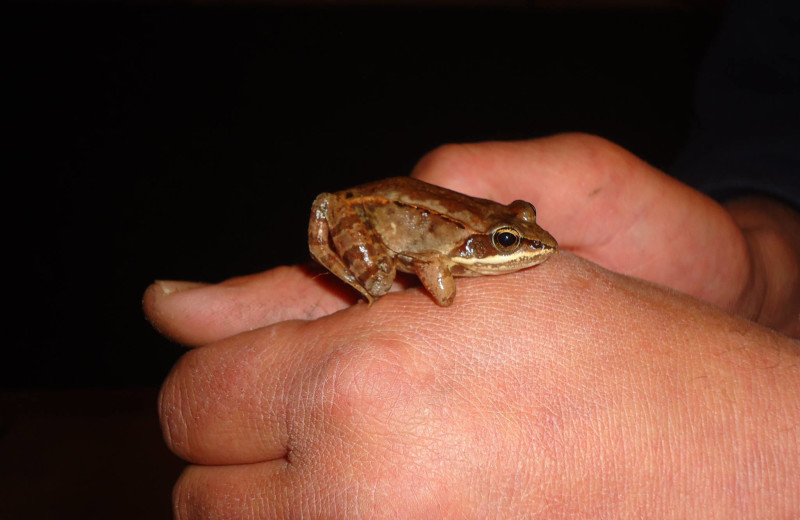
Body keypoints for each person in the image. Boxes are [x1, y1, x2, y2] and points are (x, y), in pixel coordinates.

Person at [144, 1, 800, 517]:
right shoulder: (449, 254)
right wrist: (771, 265)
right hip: (372, 216)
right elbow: (770, 103)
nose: (532, 249)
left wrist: (757, 453)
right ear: (484, 241)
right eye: (510, 240)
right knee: (375, 280)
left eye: (515, 236)